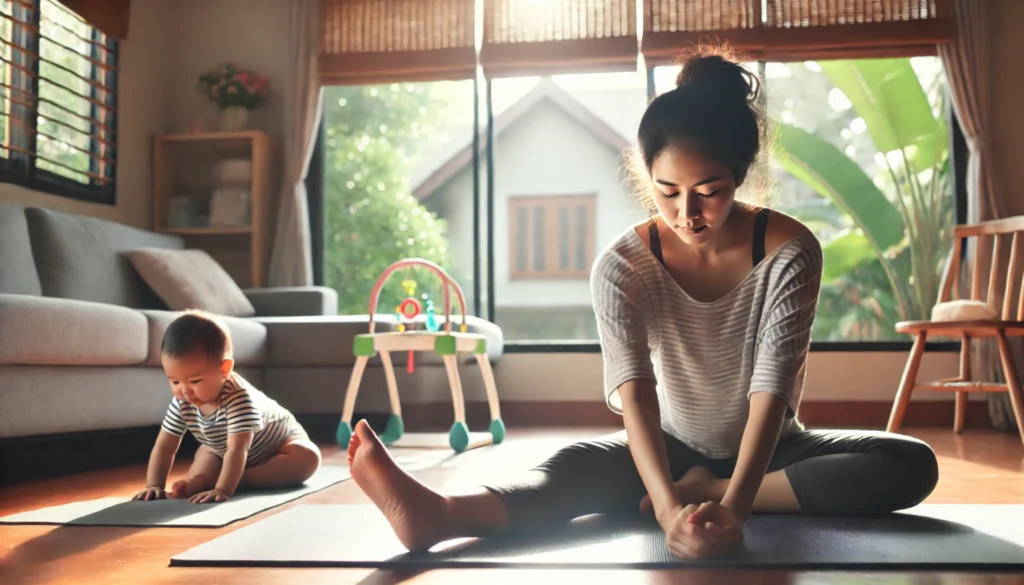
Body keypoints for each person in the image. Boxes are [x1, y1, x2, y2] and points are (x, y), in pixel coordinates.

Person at [345, 46, 939, 560]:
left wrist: (733, 505)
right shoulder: (622, 265)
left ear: (741, 174)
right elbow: (634, 394)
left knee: (911, 464)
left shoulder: (790, 251)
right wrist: (663, 509)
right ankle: (441, 513)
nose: (688, 214)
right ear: (645, 172)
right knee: (574, 466)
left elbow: (772, 390)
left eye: (710, 193)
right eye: (668, 191)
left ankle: (708, 485)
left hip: (775, 450)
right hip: (668, 445)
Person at [132, 310, 321, 504]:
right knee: (207, 451)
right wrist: (154, 485)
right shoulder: (182, 402)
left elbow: (238, 450)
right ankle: (199, 481)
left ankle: (241, 479)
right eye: (174, 381)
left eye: (195, 381)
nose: (185, 391)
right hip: (223, 449)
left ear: (224, 369)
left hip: (277, 447)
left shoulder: (238, 398)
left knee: (308, 457)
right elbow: (164, 447)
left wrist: (223, 489)